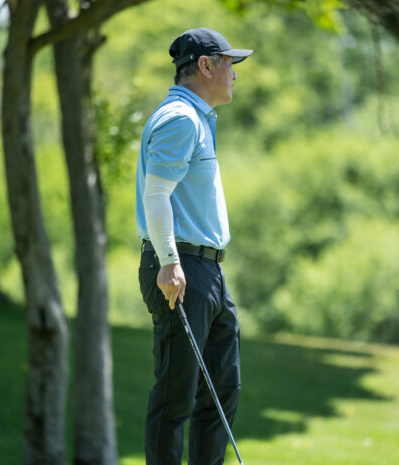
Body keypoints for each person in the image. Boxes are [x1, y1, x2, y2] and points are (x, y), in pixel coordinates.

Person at [135, 28, 253, 465]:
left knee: (222, 391)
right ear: (205, 65)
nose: (234, 75)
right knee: (176, 396)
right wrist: (169, 262)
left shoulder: (196, 118)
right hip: (180, 266)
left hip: (208, 271)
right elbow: (156, 195)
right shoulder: (181, 118)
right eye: (229, 64)